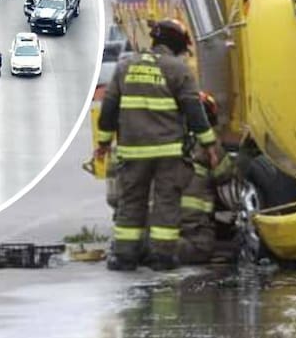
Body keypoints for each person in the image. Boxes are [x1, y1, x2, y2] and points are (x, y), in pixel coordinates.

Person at [95, 18, 219, 272]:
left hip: (133, 151)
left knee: (131, 201)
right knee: (166, 203)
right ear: (177, 45)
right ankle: (162, 257)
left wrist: (104, 143)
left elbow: (109, 109)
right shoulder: (178, 70)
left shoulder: (125, 67)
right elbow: (194, 112)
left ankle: (124, 256)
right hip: (168, 152)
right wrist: (209, 145)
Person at [177, 91, 239, 265]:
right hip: (194, 233)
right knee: (207, 250)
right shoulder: (209, 145)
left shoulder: (164, 141)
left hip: (160, 227)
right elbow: (226, 175)